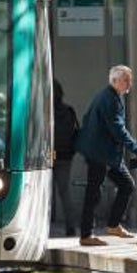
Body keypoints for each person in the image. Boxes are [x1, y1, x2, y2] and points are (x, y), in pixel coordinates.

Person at [75, 65, 137, 247]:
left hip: (102, 152)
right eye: (125, 79)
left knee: (121, 186)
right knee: (97, 192)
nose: (129, 83)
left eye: (129, 79)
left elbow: (87, 119)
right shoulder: (111, 99)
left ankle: (113, 225)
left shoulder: (107, 96)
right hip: (102, 153)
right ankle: (88, 234)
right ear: (115, 81)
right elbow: (118, 129)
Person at [52, 80, 80, 237]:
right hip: (65, 155)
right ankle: (71, 226)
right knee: (64, 192)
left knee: (44, 192)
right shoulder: (68, 110)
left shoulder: (45, 111)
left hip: (48, 154)